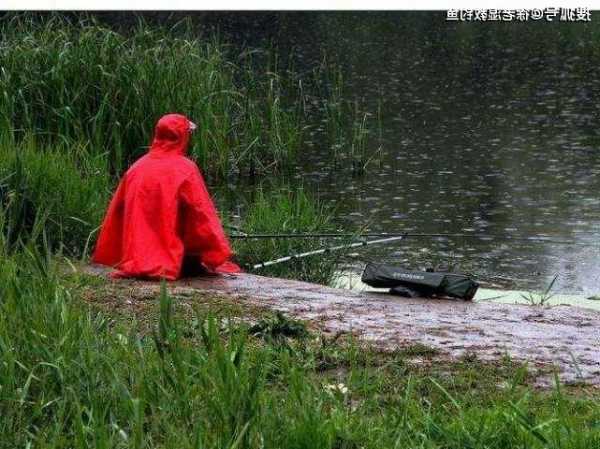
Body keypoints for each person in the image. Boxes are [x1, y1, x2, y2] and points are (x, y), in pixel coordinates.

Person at [92, 113, 241, 280]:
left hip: (133, 257)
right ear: (181, 137)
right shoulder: (186, 169)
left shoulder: (136, 168)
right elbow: (202, 217)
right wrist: (217, 253)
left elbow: (115, 215)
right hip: (172, 261)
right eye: (188, 134)